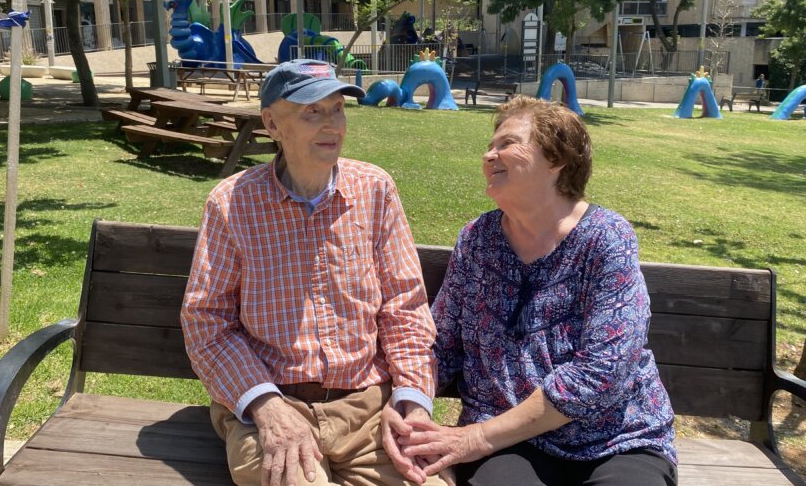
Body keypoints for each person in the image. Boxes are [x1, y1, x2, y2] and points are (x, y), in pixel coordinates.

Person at [181, 59, 447, 486]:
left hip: (368, 409)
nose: (332, 125)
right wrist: (265, 405)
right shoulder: (232, 204)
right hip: (272, 405)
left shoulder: (375, 190)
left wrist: (413, 398)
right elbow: (207, 322)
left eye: (337, 109)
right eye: (312, 111)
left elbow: (405, 307)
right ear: (272, 123)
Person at [397, 96, 677, 486]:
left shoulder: (606, 238)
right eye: (490, 145)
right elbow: (441, 343)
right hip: (505, 443)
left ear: (556, 158)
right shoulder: (478, 240)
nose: (489, 154)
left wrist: (478, 437)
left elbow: (602, 372)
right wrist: (413, 408)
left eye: (507, 144)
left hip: (615, 438)